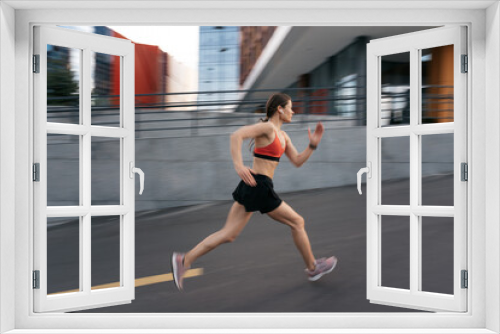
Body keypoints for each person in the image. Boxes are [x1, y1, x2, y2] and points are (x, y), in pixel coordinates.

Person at [171, 93, 337, 291]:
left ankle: (184, 260)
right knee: (297, 222)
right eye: (290, 107)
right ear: (280, 109)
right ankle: (313, 268)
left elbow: (298, 161)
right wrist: (239, 165)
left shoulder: (284, 136)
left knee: (228, 234)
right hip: (258, 185)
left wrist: (313, 145)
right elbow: (236, 135)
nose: (293, 111)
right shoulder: (267, 128)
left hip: (256, 186)